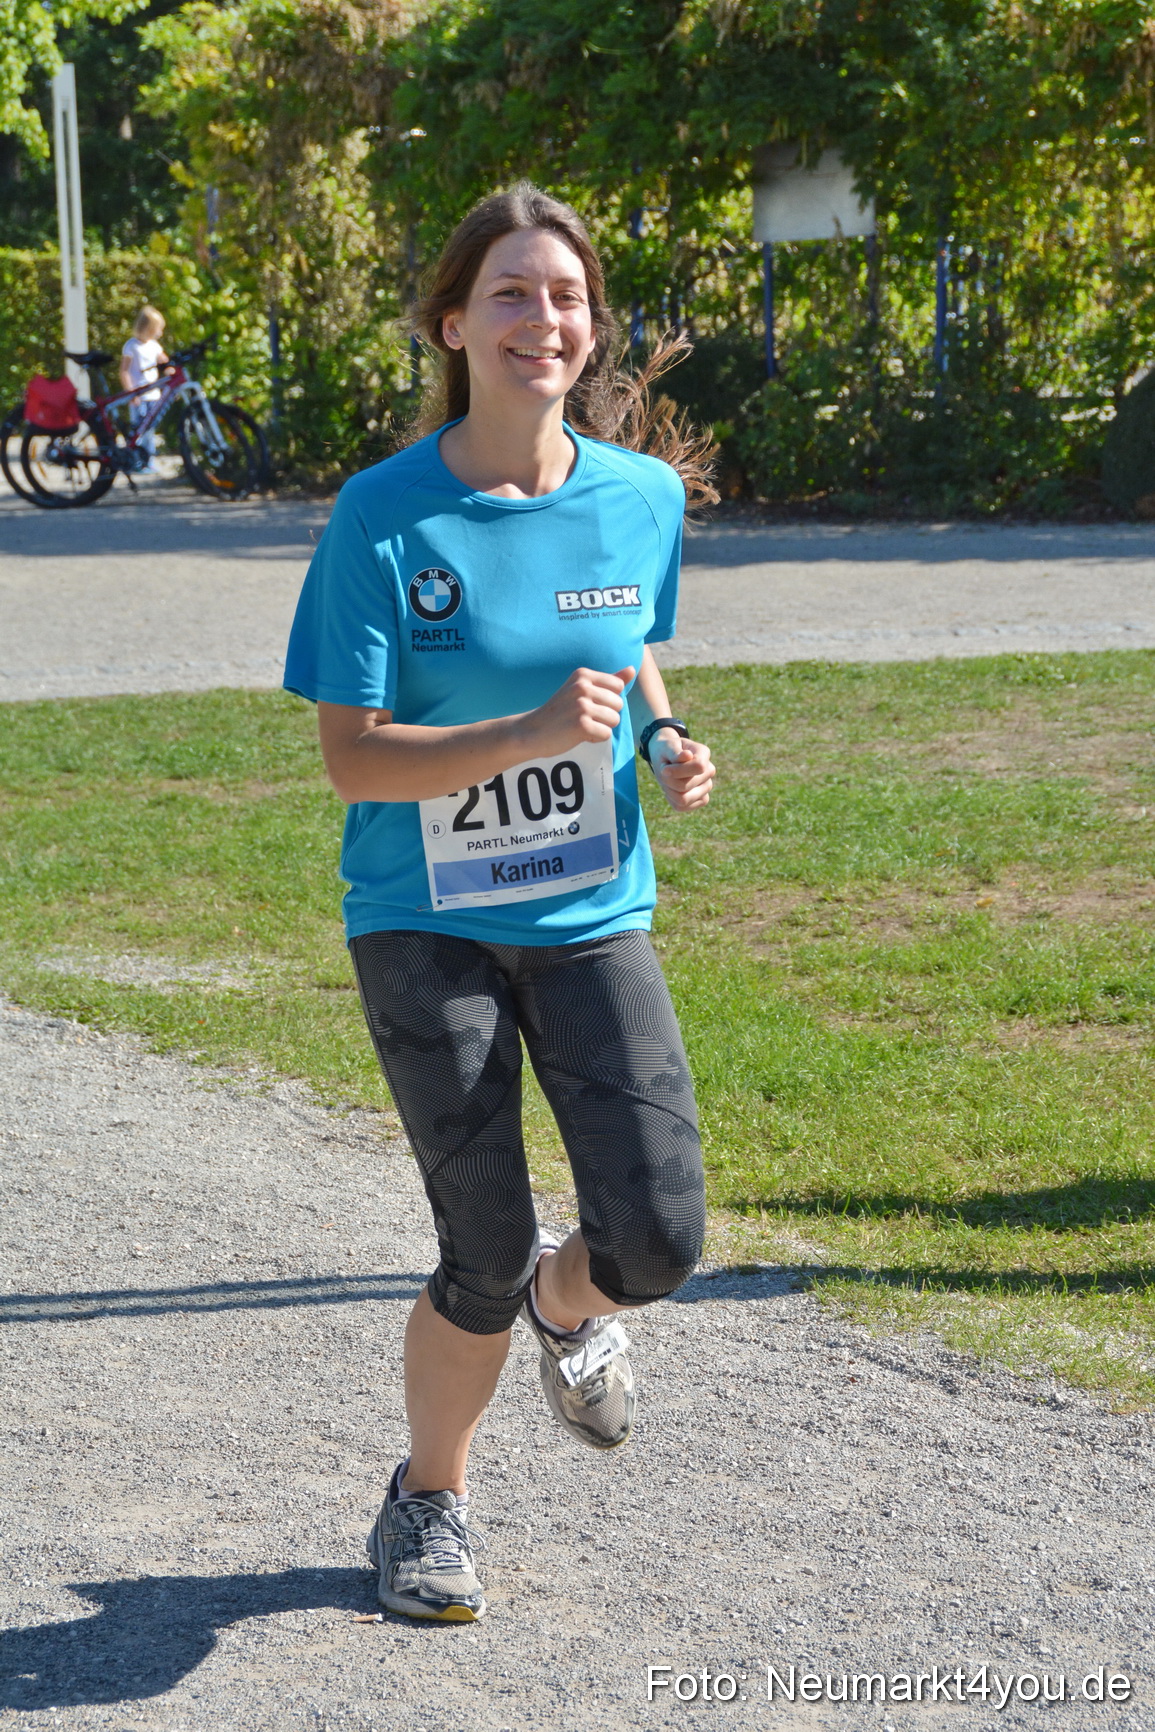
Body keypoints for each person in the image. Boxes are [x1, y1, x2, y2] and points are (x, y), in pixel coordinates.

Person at [284, 182, 718, 1624]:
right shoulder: (385, 516)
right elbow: (352, 758)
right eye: (514, 295)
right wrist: (526, 737)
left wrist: (654, 736)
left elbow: (625, 633)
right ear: (454, 322)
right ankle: (430, 1502)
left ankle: (569, 1307)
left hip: (590, 906)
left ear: (593, 327)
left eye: (568, 297)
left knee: (654, 1236)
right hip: (421, 920)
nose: (546, 321)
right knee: (476, 1242)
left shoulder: (637, 496)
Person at [119, 305, 168, 473]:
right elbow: (124, 370)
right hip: (138, 395)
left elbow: (166, 363)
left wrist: (172, 372)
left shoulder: (155, 346)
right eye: (158, 329)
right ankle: (134, 460)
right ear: (149, 328)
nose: (160, 333)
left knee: (150, 429)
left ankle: (149, 460)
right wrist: (130, 391)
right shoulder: (131, 346)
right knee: (137, 429)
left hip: (153, 395)